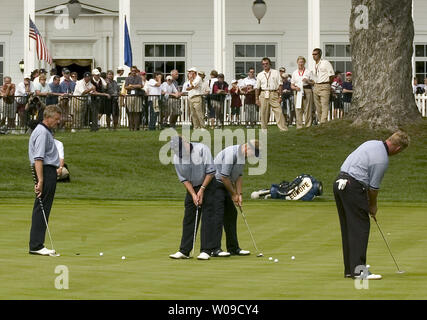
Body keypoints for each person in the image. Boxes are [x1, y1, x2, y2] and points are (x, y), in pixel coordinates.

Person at [333, 131, 410, 280]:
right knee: (360, 228)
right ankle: (359, 271)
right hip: (353, 186)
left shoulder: (371, 143)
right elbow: (373, 188)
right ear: (398, 149)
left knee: (349, 227)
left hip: (339, 183)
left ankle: (350, 270)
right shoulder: (382, 160)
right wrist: (372, 206)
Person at [169, 136, 217, 260]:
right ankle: (185, 251)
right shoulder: (177, 158)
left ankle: (206, 250)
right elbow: (184, 179)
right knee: (189, 218)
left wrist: (202, 189)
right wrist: (193, 194)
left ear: (185, 143)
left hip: (209, 184)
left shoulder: (202, 149)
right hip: (192, 187)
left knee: (207, 216)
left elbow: (211, 172)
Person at [211, 140, 260, 257]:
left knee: (232, 214)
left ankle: (233, 248)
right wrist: (233, 194)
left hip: (225, 184)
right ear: (248, 148)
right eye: (253, 154)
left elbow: (238, 176)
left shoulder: (243, 156)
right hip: (215, 184)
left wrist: (239, 194)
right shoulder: (231, 154)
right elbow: (224, 177)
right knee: (218, 215)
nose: (253, 157)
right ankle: (214, 249)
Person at [28, 105, 62, 256]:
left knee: (43, 207)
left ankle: (37, 244)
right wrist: (40, 180)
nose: (58, 122)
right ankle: (36, 245)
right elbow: (38, 158)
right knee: (42, 207)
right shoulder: (42, 132)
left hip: (48, 170)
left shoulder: (45, 131)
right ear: (47, 118)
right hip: (45, 171)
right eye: (56, 119)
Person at [255, 57, 288, 132]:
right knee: (263, 113)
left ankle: (283, 129)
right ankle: (264, 130)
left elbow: (280, 85)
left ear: (270, 64)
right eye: (263, 64)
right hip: (263, 93)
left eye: (266, 63)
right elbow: (257, 87)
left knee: (278, 111)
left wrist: (280, 96)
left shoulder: (275, 72)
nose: (265, 65)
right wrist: (256, 98)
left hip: (273, 93)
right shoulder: (260, 74)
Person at [312, 48, 335, 124]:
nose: (313, 56)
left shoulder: (325, 63)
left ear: (319, 54)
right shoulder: (315, 65)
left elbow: (331, 75)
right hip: (316, 86)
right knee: (317, 106)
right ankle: (320, 121)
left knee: (324, 105)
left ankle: (323, 122)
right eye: (313, 54)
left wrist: (328, 84)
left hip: (324, 85)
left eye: (315, 54)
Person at [291, 56, 314, 129]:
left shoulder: (308, 71)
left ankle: (308, 126)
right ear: (297, 63)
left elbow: (313, 82)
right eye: (299, 62)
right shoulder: (294, 73)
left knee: (307, 109)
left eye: (302, 62)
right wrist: (295, 88)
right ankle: (299, 126)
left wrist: (307, 81)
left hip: (307, 90)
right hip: (298, 91)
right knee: (298, 109)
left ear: (304, 63)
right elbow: (291, 85)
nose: (301, 63)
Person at [124, 66, 144, 131]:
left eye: (135, 71)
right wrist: (135, 86)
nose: (134, 72)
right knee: (130, 112)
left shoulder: (139, 78)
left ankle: (136, 127)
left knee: (137, 112)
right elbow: (126, 87)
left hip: (137, 96)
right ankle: (130, 127)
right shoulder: (127, 78)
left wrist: (132, 86)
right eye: (132, 71)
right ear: (130, 71)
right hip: (130, 96)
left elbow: (140, 85)